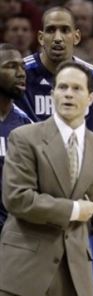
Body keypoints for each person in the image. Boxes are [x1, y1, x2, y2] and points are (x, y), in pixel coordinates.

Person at [0, 61, 93, 296]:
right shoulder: (24, 137)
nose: (68, 94)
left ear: (91, 98)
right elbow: (17, 199)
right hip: (23, 270)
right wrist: (74, 210)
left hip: (72, 277)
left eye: (76, 88)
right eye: (62, 88)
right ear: (52, 95)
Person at [14, 7, 93, 144]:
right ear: (41, 37)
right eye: (51, 30)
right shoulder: (20, 73)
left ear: (76, 37)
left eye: (65, 30)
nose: (57, 38)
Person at [0, 43, 31, 233]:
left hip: (15, 233)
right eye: (11, 66)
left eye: (23, 67)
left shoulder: (26, 125)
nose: (21, 73)